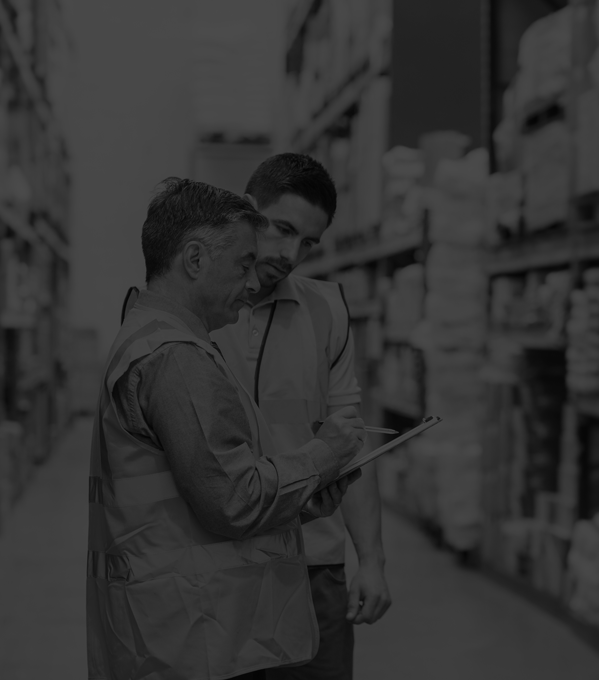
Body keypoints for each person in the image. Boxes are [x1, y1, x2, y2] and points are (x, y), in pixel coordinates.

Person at [88, 178, 367, 680]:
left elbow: (195, 491)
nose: (251, 283)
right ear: (195, 260)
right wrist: (323, 456)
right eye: (242, 265)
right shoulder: (177, 358)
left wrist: (309, 494)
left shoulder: (150, 333)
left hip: (172, 619)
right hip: (187, 634)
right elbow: (234, 500)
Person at [208, 153, 392, 680]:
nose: (291, 254)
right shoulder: (193, 306)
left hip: (312, 569)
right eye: (282, 229)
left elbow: (349, 440)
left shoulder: (325, 309)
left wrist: (372, 561)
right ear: (247, 212)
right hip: (216, 568)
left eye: (308, 242)